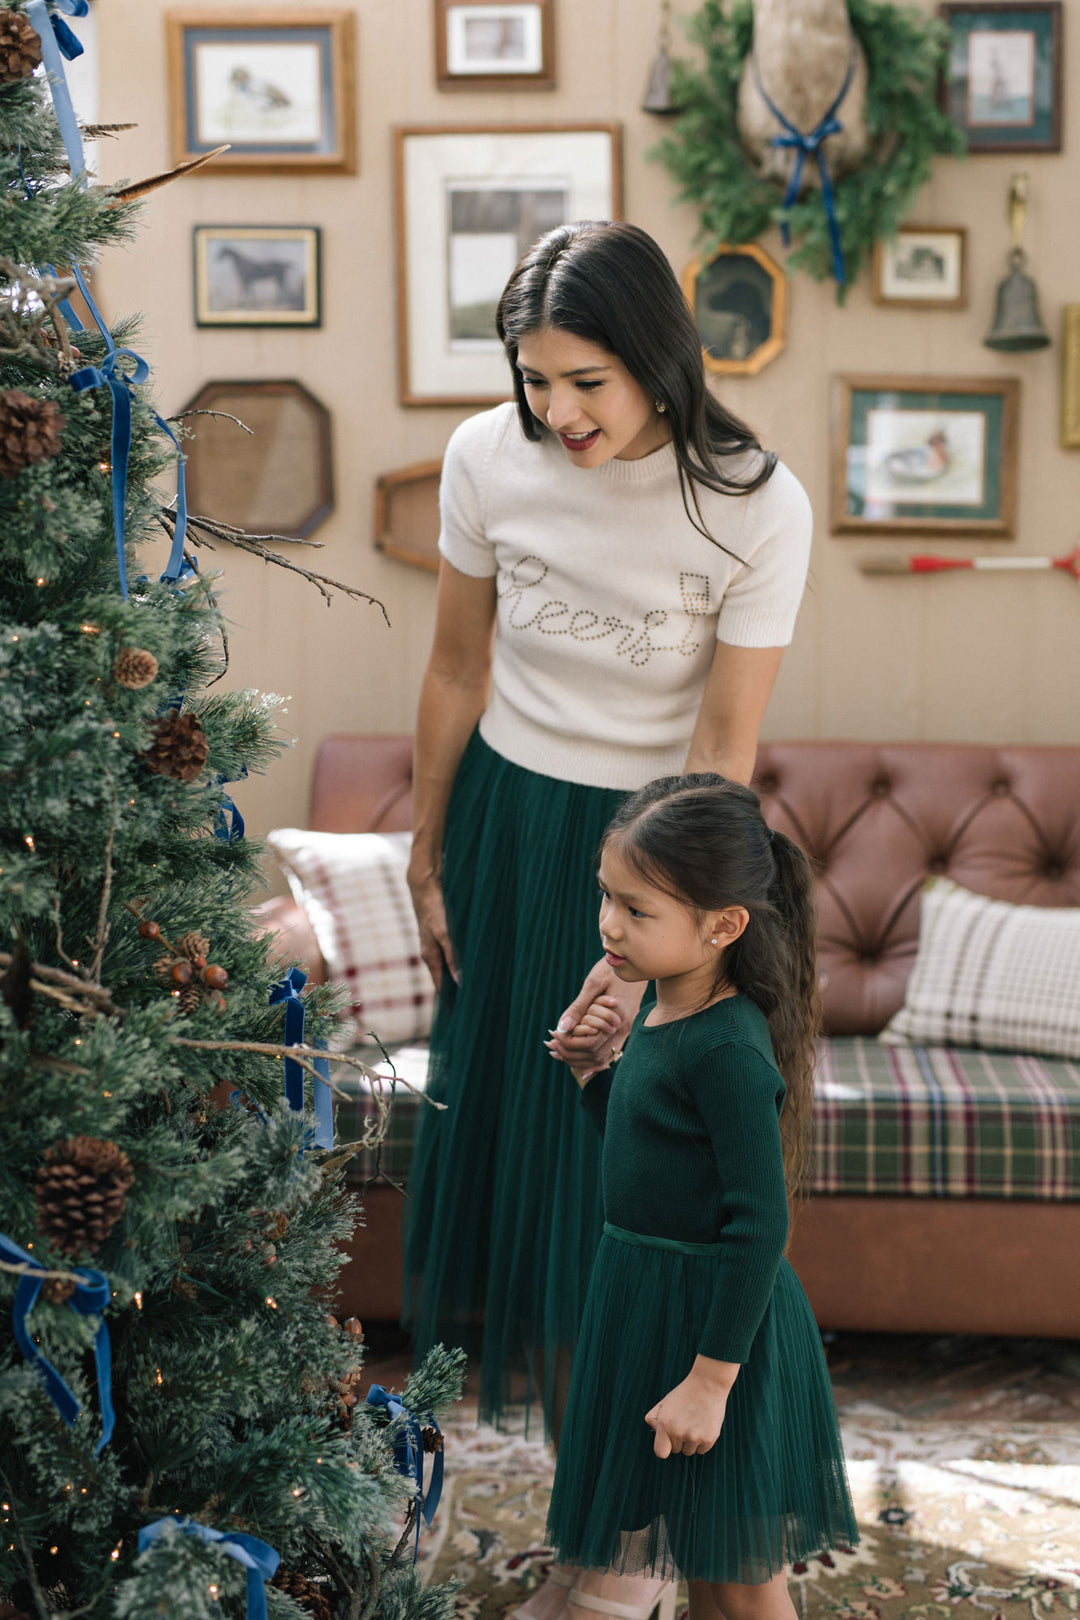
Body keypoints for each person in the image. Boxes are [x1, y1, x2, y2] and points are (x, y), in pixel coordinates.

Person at [403, 218, 811, 1484]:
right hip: (509, 831)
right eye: (534, 378)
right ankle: (590, 1508)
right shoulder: (486, 455)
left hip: (651, 855)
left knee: (633, 1192)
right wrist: (427, 852)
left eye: (588, 380)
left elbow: (721, 740)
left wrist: (652, 943)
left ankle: (632, 1526)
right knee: (529, 1184)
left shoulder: (756, 502)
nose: (557, 410)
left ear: (659, 355)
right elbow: (458, 666)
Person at [544, 776, 859, 1620]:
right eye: (606, 895)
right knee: (699, 1553)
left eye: (637, 909)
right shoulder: (659, 1002)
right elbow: (653, 1156)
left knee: (740, 1573)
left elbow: (761, 1225)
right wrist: (590, 1077)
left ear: (722, 926)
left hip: (717, 1327)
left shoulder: (726, 1047)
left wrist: (712, 1381)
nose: (609, 924)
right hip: (649, 1299)